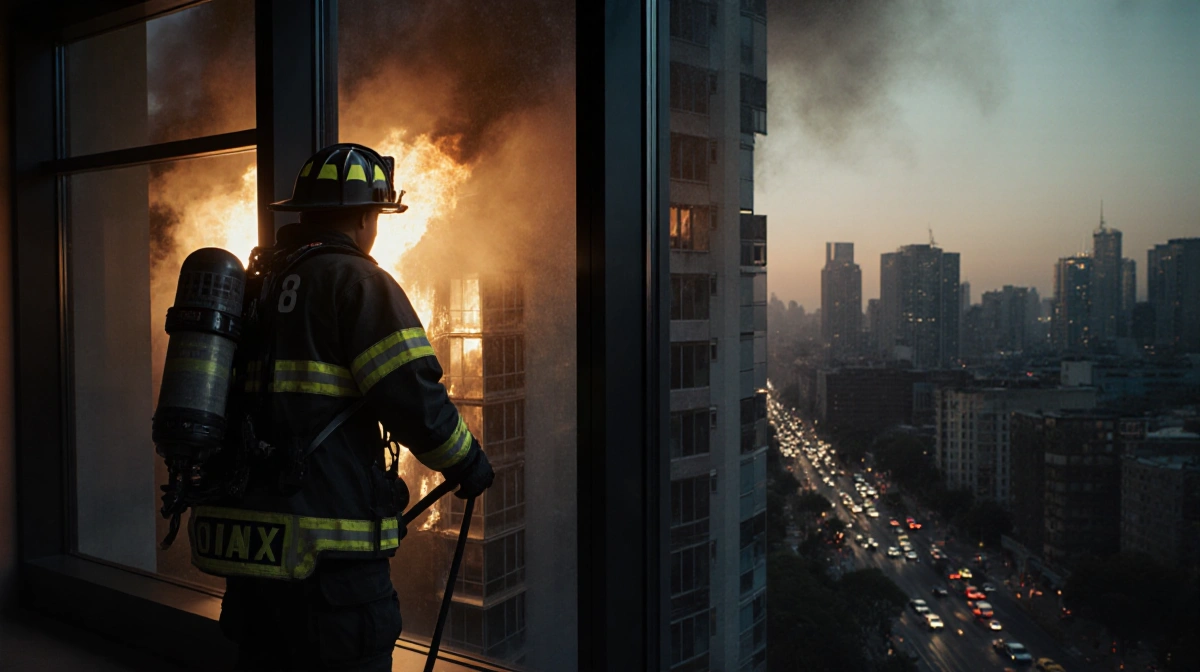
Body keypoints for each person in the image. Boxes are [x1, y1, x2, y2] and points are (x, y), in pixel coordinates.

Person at [188, 143, 494, 671]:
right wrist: (466, 461)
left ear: (303, 213)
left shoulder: (255, 285)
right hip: (330, 568)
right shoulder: (358, 282)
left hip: (253, 560)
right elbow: (411, 395)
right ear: (361, 215)